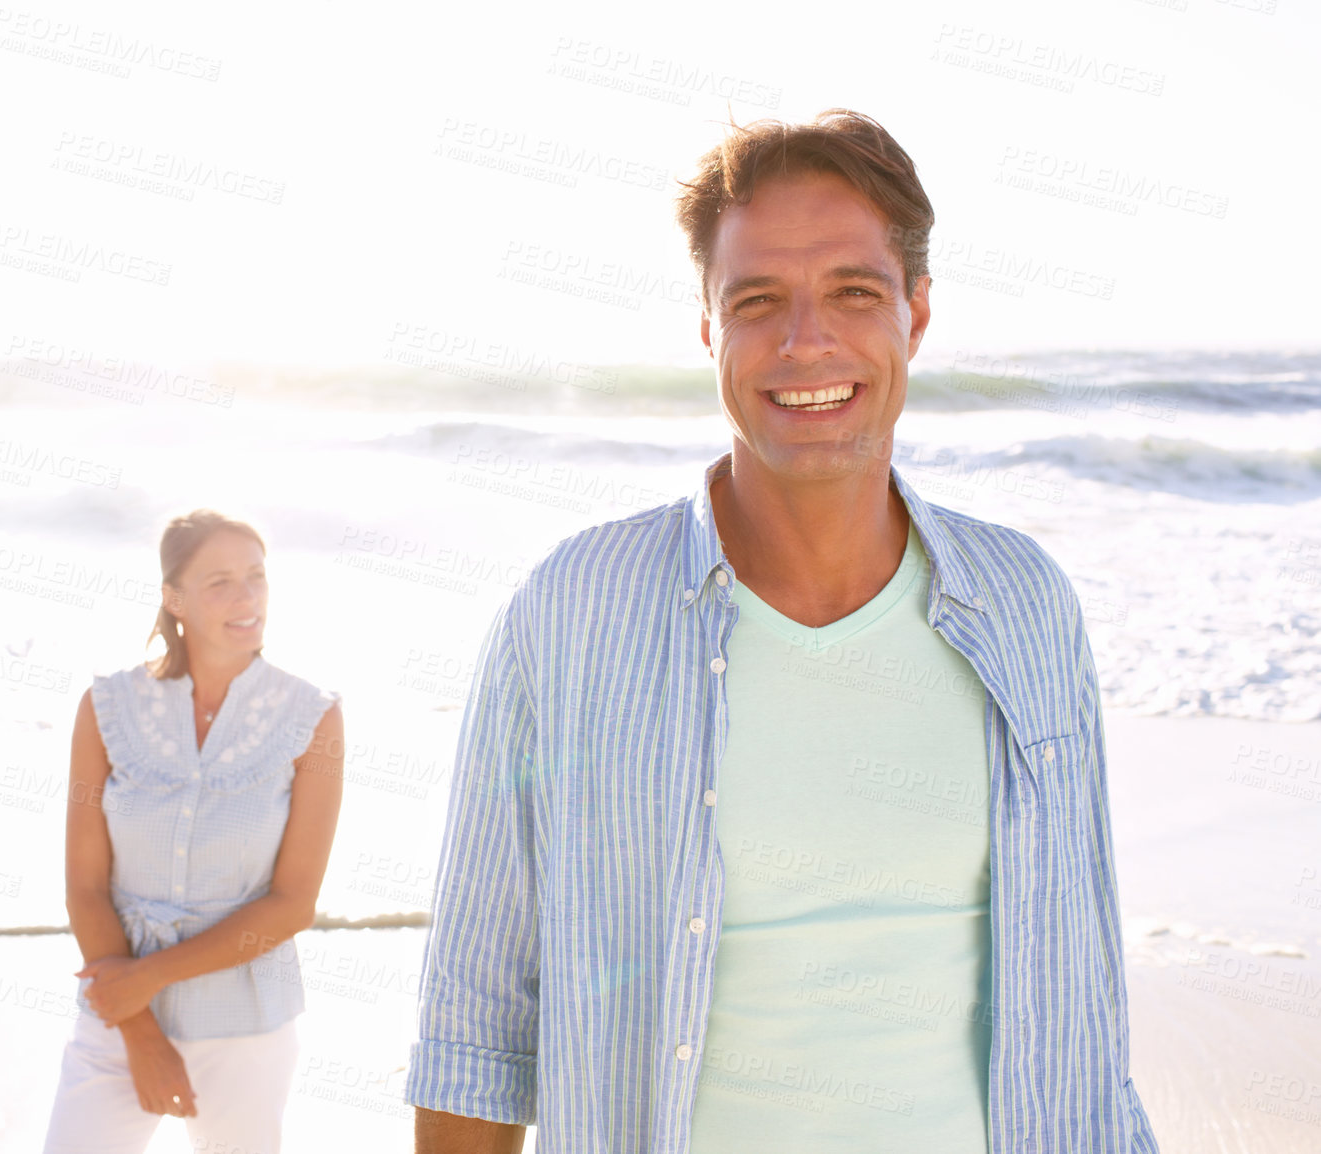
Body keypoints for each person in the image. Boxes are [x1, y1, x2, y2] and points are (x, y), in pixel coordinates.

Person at [402, 109, 1160, 1153]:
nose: (806, 341)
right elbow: (476, 1031)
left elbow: (1080, 1004)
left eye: (853, 292)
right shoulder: (567, 614)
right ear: (709, 328)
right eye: (757, 301)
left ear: (917, 313)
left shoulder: (1025, 605)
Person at [40, 509, 343, 1154]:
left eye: (257, 577)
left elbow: (291, 905)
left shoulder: (313, 717)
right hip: (117, 1012)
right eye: (221, 582)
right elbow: (85, 886)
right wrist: (140, 1030)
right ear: (174, 598)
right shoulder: (104, 709)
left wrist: (149, 978)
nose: (247, 598)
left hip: (247, 1023)